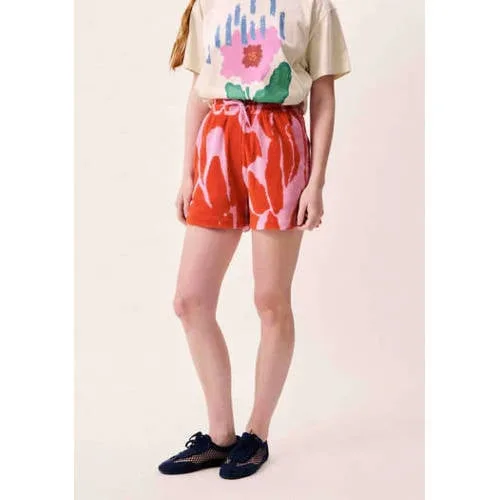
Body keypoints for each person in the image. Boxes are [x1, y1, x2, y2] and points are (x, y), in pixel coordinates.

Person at [158, 0, 351, 480]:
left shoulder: (312, 6)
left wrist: (316, 182)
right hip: (217, 142)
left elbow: (323, 96)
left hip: (279, 143)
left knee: (270, 299)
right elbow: (199, 93)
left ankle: (256, 433)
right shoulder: (208, 5)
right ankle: (220, 436)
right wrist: (187, 173)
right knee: (190, 300)